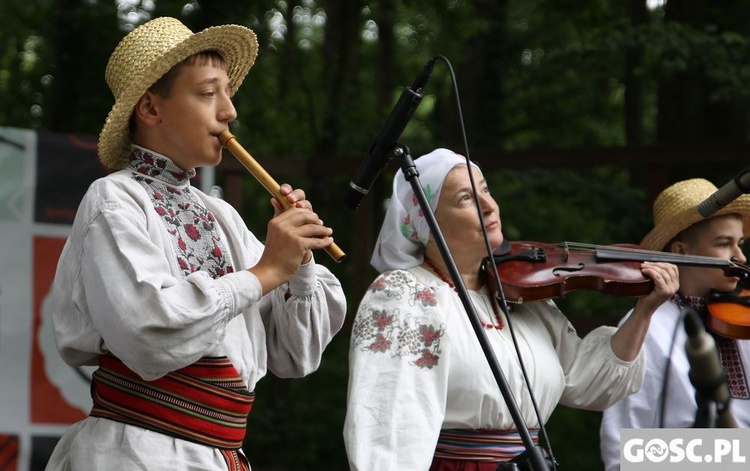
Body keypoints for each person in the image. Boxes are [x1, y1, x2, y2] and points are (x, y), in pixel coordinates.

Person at [44, 16, 346, 471]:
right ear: (150, 109)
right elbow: (148, 331)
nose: (229, 112)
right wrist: (265, 272)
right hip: (137, 454)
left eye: (228, 93)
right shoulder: (114, 199)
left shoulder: (220, 214)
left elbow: (294, 355)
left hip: (216, 456)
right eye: (208, 94)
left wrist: (298, 262)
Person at [343, 148, 679, 470]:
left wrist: (644, 311)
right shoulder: (403, 295)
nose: (489, 206)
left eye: (486, 190)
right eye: (466, 199)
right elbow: (386, 425)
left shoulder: (517, 293)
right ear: (427, 223)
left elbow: (586, 382)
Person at [600, 178, 750, 471]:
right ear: (680, 252)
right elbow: (624, 454)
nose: (740, 257)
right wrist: (737, 455)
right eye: (724, 244)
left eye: (740, 244)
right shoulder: (645, 327)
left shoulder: (744, 317)